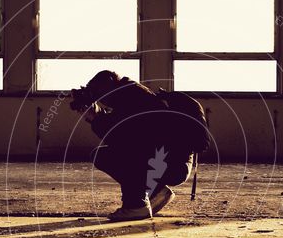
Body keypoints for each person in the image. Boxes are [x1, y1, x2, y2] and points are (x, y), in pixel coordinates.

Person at [71, 71, 196, 222]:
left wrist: (94, 118)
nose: (102, 101)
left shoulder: (133, 100)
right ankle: (157, 192)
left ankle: (136, 205)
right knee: (113, 153)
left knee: (110, 156)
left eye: (100, 96)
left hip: (173, 165)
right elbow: (122, 129)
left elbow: (119, 137)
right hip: (172, 161)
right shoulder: (131, 94)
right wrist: (97, 114)